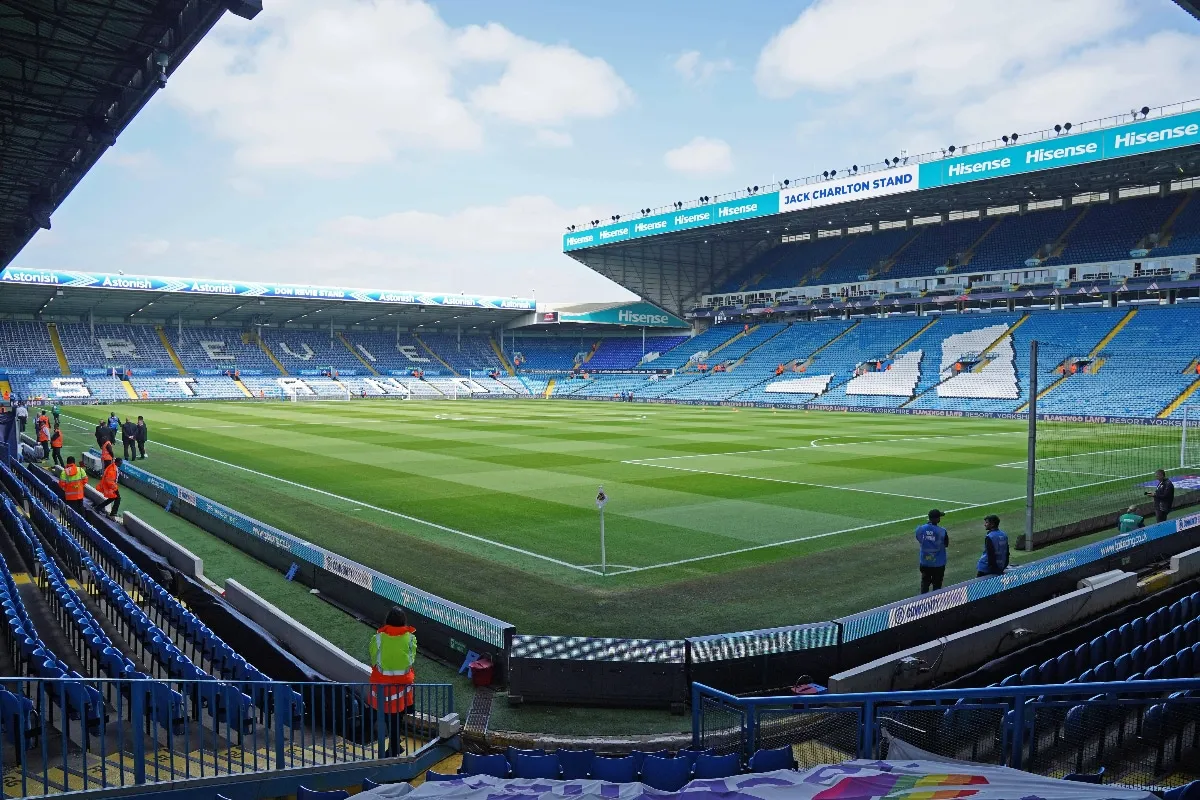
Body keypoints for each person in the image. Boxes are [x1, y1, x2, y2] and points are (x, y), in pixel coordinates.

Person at [368, 606, 417, 757]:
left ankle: (393, 747)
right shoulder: (411, 638)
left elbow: (373, 659)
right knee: (397, 716)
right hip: (403, 685)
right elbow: (411, 659)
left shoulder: (378, 638)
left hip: (382, 685)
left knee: (386, 716)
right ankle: (395, 746)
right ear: (404, 621)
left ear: (387, 620)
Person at [914, 509, 949, 593]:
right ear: (936, 519)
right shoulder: (942, 531)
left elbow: (919, 539)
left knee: (925, 583)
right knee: (937, 585)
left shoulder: (920, 529)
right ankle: (936, 600)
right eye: (939, 517)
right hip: (938, 563)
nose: (940, 518)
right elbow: (946, 544)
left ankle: (923, 599)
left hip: (925, 561)